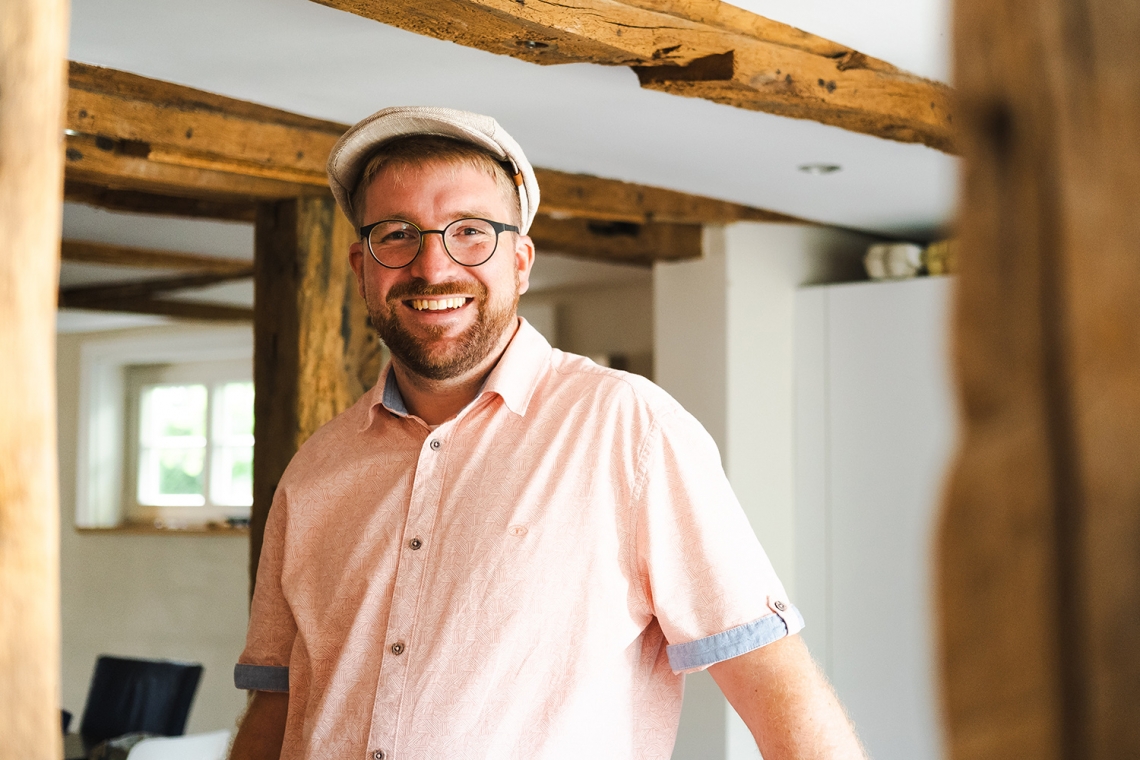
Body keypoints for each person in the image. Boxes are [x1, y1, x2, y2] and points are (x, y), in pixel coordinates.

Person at [229, 106, 865, 760]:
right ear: (363, 268)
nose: (432, 266)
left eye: (470, 232)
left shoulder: (627, 429)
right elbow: (276, 711)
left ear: (522, 261)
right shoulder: (314, 471)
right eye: (397, 234)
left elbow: (778, 692)